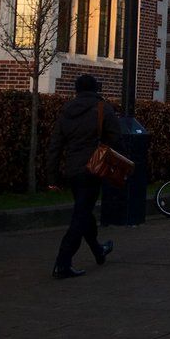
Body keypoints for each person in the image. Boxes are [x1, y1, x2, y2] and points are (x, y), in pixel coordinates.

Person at [46, 73, 120, 279]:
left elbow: (55, 146)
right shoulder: (103, 108)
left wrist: (52, 177)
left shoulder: (66, 111)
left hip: (72, 170)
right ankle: (63, 262)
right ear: (96, 89)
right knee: (80, 216)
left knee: (84, 211)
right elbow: (115, 138)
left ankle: (98, 250)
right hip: (93, 169)